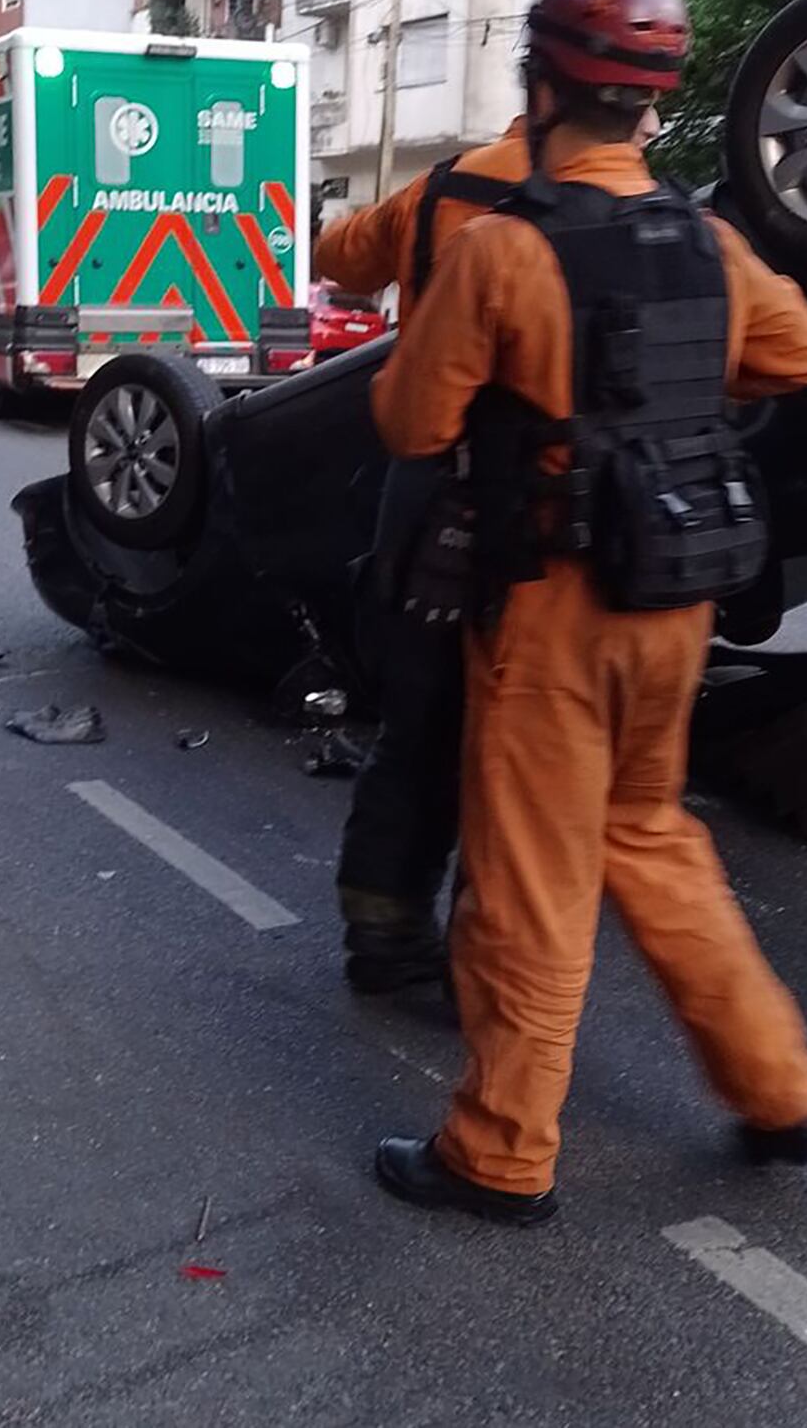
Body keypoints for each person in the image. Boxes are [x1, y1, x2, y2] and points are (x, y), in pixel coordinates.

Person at [369, 0, 807, 1225]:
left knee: (532, 882)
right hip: (674, 600)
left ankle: (500, 1151)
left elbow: (411, 422)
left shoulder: (505, 251)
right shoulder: (708, 240)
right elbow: (804, 353)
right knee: (653, 835)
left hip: (548, 611)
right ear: (647, 108)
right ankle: (780, 1088)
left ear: (541, 89)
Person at [315, 115, 530, 997]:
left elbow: (339, 254)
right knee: (512, 745)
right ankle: (489, 972)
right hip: (544, 507)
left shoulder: (440, 189)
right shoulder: (633, 206)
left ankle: (385, 933)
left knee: (418, 725)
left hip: (427, 481)